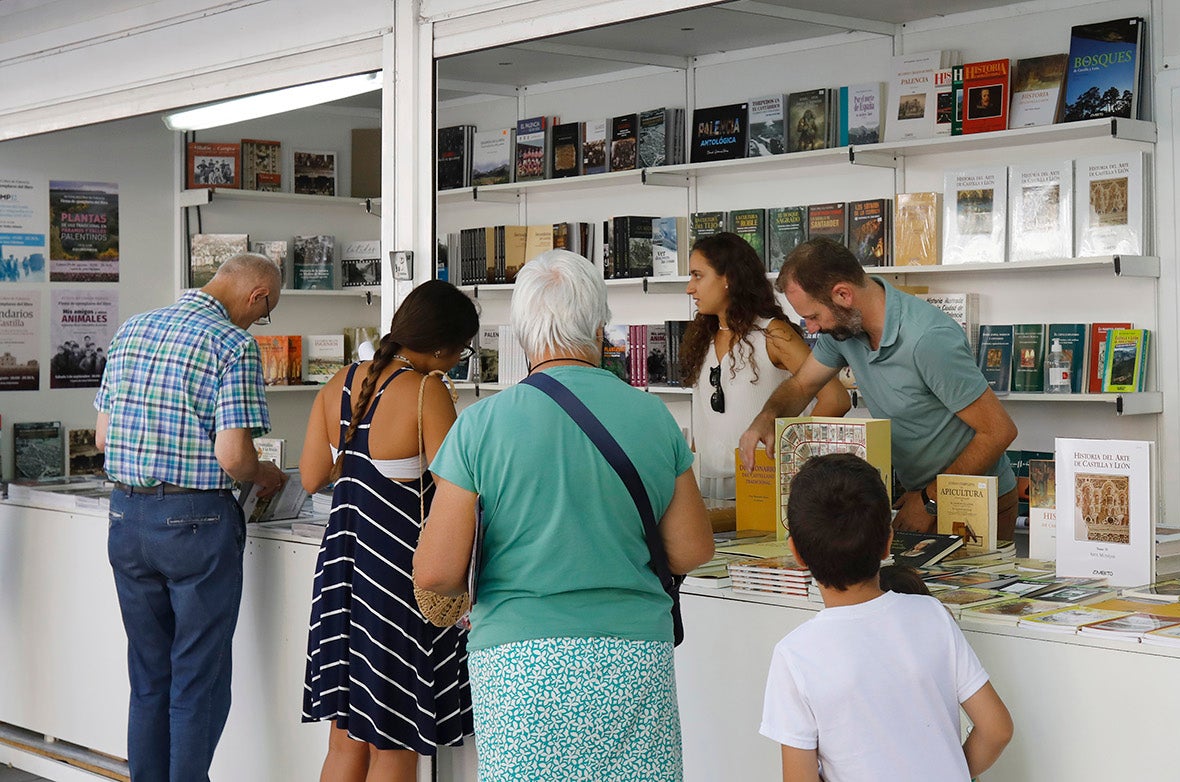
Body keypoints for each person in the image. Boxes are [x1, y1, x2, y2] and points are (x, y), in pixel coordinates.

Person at [413, 249, 715, 782]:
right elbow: (692, 549)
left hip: (519, 663)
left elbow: (436, 571)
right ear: (599, 327)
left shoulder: (480, 426)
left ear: (523, 333)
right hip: (632, 657)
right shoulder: (651, 414)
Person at [94, 252, 288, 782]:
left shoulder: (133, 329)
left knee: (149, 675)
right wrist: (265, 473)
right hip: (194, 524)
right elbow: (232, 456)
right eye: (265, 311)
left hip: (126, 517)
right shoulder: (233, 344)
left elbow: (102, 438)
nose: (258, 320)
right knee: (196, 677)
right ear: (257, 296)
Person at [297, 280, 480, 781]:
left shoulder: (338, 382)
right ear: (443, 345)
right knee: (394, 744)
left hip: (342, 575)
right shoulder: (426, 391)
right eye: (461, 350)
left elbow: (311, 476)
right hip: (397, 581)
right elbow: (457, 489)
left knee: (345, 741)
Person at [739, 238, 1019, 538]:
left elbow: (998, 431)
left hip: (973, 499)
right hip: (920, 494)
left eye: (813, 316)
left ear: (843, 294)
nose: (811, 329)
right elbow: (802, 384)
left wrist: (930, 500)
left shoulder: (928, 339)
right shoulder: (843, 331)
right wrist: (767, 417)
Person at [759, 453, 1013, 781]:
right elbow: (997, 729)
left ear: (796, 553)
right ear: (888, 544)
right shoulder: (931, 614)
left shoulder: (794, 655)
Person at [682, 232, 849, 498]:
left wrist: (791, 454)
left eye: (697, 275)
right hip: (705, 485)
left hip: (762, 485)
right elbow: (704, 419)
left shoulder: (773, 334)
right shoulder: (701, 338)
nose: (690, 287)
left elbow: (836, 399)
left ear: (728, 278)